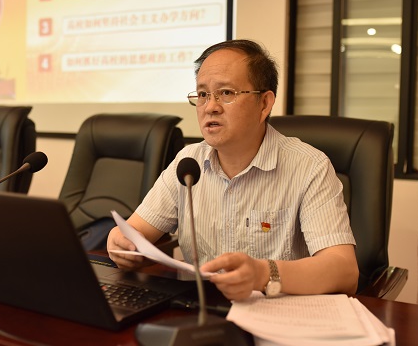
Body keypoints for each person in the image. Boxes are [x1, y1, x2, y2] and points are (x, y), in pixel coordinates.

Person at [107, 39, 359, 301]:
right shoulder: (189, 162)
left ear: (264, 104)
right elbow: (134, 231)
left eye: (226, 93)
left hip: (278, 312)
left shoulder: (309, 167)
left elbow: (345, 272)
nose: (210, 107)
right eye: (203, 94)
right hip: (204, 309)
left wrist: (264, 274)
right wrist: (120, 240)